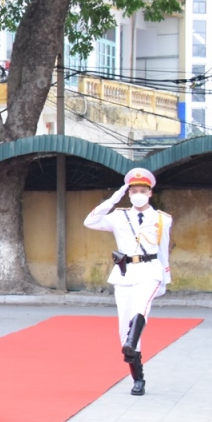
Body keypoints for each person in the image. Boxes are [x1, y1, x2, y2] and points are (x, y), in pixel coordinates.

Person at [83, 168, 171, 396]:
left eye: (143, 190)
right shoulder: (118, 216)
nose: (138, 194)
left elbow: (163, 250)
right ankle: (138, 377)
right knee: (125, 326)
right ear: (128, 193)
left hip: (150, 270)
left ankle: (131, 344)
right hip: (125, 273)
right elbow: (90, 221)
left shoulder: (162, 219)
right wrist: (115, 197)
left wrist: (165, 278)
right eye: (133, 191)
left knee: (140, 309)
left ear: (150, 193)